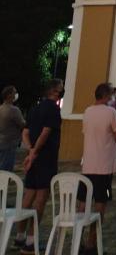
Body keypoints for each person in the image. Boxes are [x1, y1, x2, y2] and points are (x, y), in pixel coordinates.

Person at [15, 79, 63, 254]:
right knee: (41, 198)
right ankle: (30, 241)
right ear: (55, 92)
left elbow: (25, 132)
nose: (61, 92)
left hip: (34, 158)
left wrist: (30, 150)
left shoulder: (35, 109)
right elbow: (46, 131)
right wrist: (35, 152)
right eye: (60, 90)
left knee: (28, 195)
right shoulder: (53, 109)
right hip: (46, 158)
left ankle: (19, 236)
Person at [78, 82, 116, 254]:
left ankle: (78, 238)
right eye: (110, 95)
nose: (112, 98)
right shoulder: (111, 112)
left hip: (88, 163)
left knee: (83, 203)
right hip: (104, 165)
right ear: (105, 96)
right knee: (100, 204)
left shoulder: (87, 111)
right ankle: (91, 243)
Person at [0, 84, 26, 171]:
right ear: (9, 95)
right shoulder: (14, 110)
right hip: (10, 143)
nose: (16, 94)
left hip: (1, 140)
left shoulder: (1, 108)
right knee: (6, 169)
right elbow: (23, 124)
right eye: (14, 92)